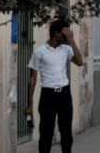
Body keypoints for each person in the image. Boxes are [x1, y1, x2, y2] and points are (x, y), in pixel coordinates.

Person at [26, 20, 83, 153]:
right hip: (48, 95)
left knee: (66, 134)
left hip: (64, 93)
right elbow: (32, 79)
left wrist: (72, 41)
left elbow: (80, 62)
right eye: (65, 33)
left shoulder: (66, 49)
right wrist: (29, 105)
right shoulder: (39, 52)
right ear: (56, 34)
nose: (67, 35)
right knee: (46, 134)